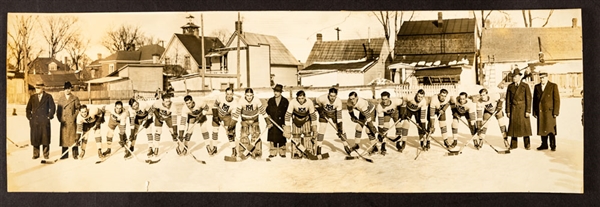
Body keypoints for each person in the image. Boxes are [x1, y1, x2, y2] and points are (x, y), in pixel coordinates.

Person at [233, 88, 268, 158]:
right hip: (244, 120)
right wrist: (232, 124)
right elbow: (237, 114)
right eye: (247, 95)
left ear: (253, 95)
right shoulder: (241, 101)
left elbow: (263, 112)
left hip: (254, 119)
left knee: (256, 135)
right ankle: (243, 151)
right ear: (245, 95)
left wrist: (267, 121)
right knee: (244, 135)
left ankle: (257, 152)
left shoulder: (257, 100)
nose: (249, 97)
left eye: (250, 95)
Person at [315, 88, 351, 154]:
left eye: (334, 96)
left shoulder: (338, 101)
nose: (332, 98)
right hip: (324, 114)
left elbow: (339, 116)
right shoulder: (322, 98)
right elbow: (315, 103)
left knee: (342, 129)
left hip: (334, 114)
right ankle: (318, 148)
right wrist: (320, 111)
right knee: (322, 129)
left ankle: (346, 146)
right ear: (328, 94)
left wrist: (339, 128)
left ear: (336, 95)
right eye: (331, 96)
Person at [284, 90, 318, 159]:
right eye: (299, 98)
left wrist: (314, 128)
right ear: (297, 98)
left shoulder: (309, 102)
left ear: (305, 97)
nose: (301, 100)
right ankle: (296, 152)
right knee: (296, 135)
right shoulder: (293, 102)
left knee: (307, 134)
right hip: (296, 119)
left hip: (306, 119)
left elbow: (313, 115)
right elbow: (287, 115)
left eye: (302, 98)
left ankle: (309, 150)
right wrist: (287, 128)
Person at [26, 83, 56, 159]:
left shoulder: (48, 97)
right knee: (35, 137)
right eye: (36, 88)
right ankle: (36, 154)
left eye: (39, 88)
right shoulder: (32, 97)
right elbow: (28, 109)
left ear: (43, 88)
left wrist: (49, 116)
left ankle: (46, 154)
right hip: (35, 121)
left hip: (44, 121)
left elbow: (52, 107)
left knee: (45, 138)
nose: (37, 90)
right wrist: (30, 117)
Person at [505, 68, 533, 150]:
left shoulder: (525, 86)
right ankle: (513, 145)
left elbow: (529, 99)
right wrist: (508, 111)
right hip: (513, 109)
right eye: (513, 76)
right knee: (514, 127)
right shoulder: (510, 87)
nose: (514, 78)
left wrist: (528, 110)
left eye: (516, 76)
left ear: (519, 77)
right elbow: (507, 100)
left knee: (525, 127)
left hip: (523, 109)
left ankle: (527, 144)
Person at [533, 72, 560, 151]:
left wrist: (556, 112)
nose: (542, 79)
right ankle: (544, 144)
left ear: (547, 77)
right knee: (542, 127)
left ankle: (553, 145)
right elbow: (534, 100)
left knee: (551, 129)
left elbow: (557, 100)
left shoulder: (553, 86)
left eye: (543, 78)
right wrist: (534, 111)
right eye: (540, 78)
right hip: (540, 111)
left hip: (550, 112)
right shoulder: (537, 87)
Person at [55, 81, 81, 159]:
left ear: (71, 89)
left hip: (72, 121)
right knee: (64, 138)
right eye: (66, 89)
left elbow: (78, 109)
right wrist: (60, 119)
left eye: (69, 88)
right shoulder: (61, 99)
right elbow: (58, 111)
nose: (67, 90)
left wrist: (74, 117)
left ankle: (75, 154)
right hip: (64, 121)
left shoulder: (75, 98)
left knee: (74, 138)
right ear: (64, 90)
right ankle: (64, 154)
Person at [212, 87, 239, 158]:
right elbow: (214, 106)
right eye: (228, 94)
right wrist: (215, 116)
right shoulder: (220, 97)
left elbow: (233, 117)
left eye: (231, 94)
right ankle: (214, 147)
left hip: (227, 117)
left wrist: (231, 127)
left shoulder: (235, 104)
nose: (229, 96)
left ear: (233, 94)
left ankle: (234, 150)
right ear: (225, 94)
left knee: (230, 133)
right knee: (215, 131)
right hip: (218, 114)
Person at [149, 93, 178, 157]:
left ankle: (177, 146)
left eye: (169, 101)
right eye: (166, 101)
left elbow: (174, 121)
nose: (168, 103)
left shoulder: (173, 106)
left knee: (173, 132)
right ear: (162, 101)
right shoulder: (158, 103)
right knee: (158, 132)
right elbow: (153, 109)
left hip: (168, 118)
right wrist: (158, 116)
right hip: (159, 117)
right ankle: (156, 148)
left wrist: (175, 132)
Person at [266, 84, 289, 158]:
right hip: (273, 121)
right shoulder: (271, 100)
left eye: (278, 91)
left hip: (281, 121)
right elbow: (267, 111)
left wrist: (286, 123)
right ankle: (273, 151)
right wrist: (269, 120)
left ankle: (282, 151)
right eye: (275, 91)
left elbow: (287, 112)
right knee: (273, 136)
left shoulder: (285, 101)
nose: (276, 93)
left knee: (282, 136)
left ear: (281, 92)